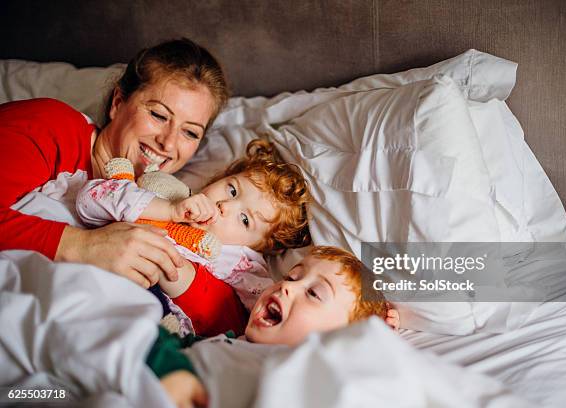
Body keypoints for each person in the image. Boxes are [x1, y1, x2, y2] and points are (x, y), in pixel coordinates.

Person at [0, 38, 229, 288]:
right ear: (118, 103)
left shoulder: (168, 206)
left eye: (190, 132)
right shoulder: (50, 126)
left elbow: (225, 313)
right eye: (158, 115)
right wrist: (83, 245)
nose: (169, 144)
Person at [77, 139, 312, 337]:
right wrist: (167, 209)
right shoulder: (167, 196)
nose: (225, 207)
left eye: (245, 220)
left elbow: (247, 324)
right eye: (232, 190)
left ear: (258, 247)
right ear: (219, 178)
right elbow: (88, 201)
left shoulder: (241, 264)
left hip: (154, 319)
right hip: (97, 273)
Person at [149, 246, 401, 407]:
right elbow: (152, 342)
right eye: (291, 276)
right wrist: (171, 368)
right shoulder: (222, 341)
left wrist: (374, 338)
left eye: (314, 293)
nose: (288, 286)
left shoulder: (305, 371)